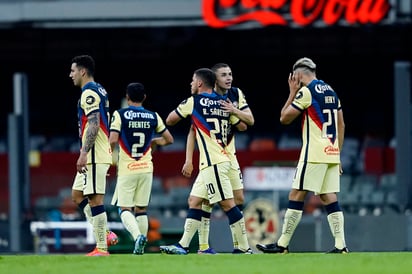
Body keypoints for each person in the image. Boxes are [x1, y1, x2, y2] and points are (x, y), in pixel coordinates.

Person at [255, 57, 348, 254]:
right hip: (331, 152)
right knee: (327, 196)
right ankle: (341, 245)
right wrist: (337, 154)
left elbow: (284, 117)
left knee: (296, 194)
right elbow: (341, 125)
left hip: (313, 152)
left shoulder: (307, 92)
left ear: (297, 75)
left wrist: (292, 93)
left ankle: (282, 245)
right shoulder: (331, 91)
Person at [160, 68, 253, 254]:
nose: (191, 84)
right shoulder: (225, 103)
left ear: (200, 83)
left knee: (228, 204)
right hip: (219, 159)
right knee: (194, 200)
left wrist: (188, 109)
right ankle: (183, 246)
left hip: (215, 162)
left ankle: (244, 248)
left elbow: (170, 120)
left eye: (193, 81)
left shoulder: (193, 101)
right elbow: (243, 125)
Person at [109, 82, 174, 255]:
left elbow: (113, 139)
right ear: (144, 97)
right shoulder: (153, 116)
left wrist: (107, 158)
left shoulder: (120, 114)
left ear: (127, 97)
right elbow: (169, 139)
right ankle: (142, 248)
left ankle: (138, 236)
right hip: (146, 167)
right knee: (141, 209)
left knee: (124, 209)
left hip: (127, 168)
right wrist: (154, 142)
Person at [69, 55, 117, 256]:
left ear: (82, 71)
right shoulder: (99, 89)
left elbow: (94, 124)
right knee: (77, 195)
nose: (70, 75)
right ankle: (104, 233)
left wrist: (83, 153)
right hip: (94, 154)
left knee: (95, 199)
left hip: (94, 155)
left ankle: (102, 248)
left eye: (72, 70)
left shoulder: (89, 93)